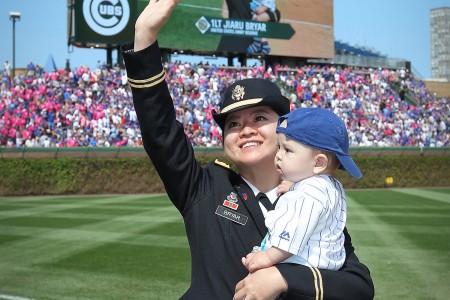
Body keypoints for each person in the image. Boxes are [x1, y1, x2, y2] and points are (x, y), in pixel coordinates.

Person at [121, 0, 374, 299]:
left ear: (284, 128)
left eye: (260, 118)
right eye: (233, 124)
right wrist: (144, 38)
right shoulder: (203, 189)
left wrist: (284, 278)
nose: (246, 129)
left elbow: (359, 286)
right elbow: (160, 131)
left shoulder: (313, 196)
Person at [242, 108, 362, 274]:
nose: (278, 155)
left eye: (288, 150)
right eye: (279, 147)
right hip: (321, 266)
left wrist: (267, 257)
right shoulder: (327, 186)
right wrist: (293, 188)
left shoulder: (309, 194)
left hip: (301, 265)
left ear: (319, 163)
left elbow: (294, 233)